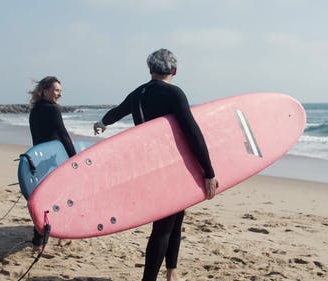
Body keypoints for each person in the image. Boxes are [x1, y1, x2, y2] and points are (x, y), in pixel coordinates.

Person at [93, 49, 219, 281]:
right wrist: (208, 171)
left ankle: (172, 272)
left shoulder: (138, 93)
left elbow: (118, 112)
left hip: (147, 165)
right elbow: (192, 132)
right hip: (171, 166)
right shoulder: (174, 93)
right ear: (174, 70)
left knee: (176, 217)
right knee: (163, 227)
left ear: (150, 70)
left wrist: (101, 122)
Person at [28, 76, 76, 251]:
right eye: (56, 90)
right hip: (54, 161)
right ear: (44, 90)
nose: (59, 94)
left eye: (60, 91)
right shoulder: (53, 110)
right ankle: (63, 237)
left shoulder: (35, 110)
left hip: (39, 160)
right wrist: (74, 158)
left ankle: (37, 243)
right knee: (63, 198)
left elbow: (37, 137)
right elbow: (63, 135)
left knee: (44, 201)